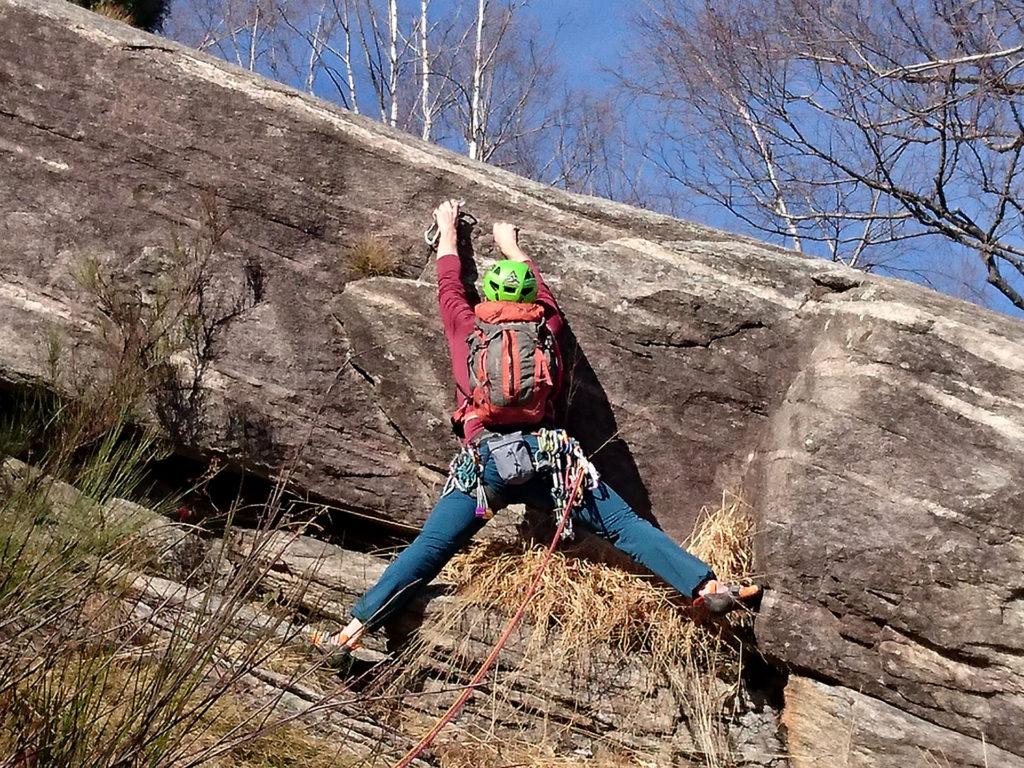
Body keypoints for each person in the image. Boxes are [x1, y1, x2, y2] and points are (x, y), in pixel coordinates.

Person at [316, 200, 760, 653]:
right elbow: (543, 290)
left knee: (432, 547)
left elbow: (449, 285)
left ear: (487, 298)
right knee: (625, 526)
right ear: (530, 299)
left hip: (485, 470)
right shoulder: (547, 326)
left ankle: (353, 630)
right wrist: (511, 244)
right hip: (551, 461)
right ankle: (707, 587)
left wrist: (448, 231)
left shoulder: (467, 330)